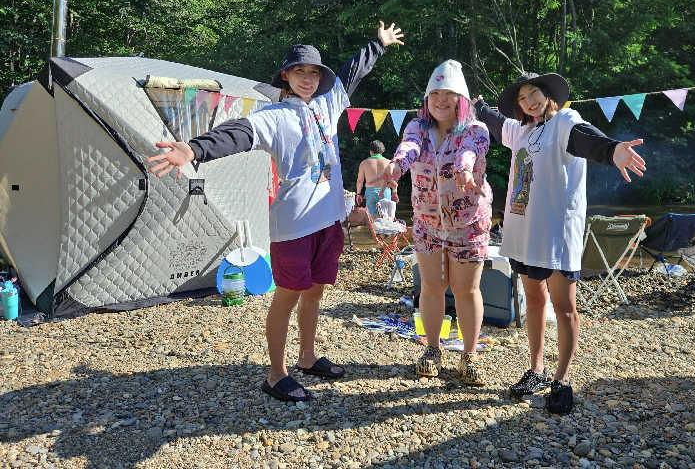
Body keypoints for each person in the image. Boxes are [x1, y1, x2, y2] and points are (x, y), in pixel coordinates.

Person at [146, 21, 404, 402]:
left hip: (329, 219)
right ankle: (275, 373)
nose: (307, 78)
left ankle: (307, 356)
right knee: (287, 297)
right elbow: (237, 133)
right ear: (286, 75)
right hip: (294, 226)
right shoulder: (274, 116)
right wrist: (194, 150)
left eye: (314, 72)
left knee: (316, 293)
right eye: (300, 71)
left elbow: (351, 72)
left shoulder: (328, 105)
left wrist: (377, 45)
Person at [474, 73, 646, 413]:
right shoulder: (521, 130)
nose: (529, 101)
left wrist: (614, 151)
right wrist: (477, 106)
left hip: (555, 233)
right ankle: (537, 370)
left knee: (564, 307)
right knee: (533, 300)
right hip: (525, 232)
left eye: (533, 93)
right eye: (522, 98)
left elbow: (589, 140)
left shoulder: (565, 122)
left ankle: (562, 379)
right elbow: (496, 122)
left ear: (548, 93)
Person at [384, 60, 493, 385]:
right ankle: (432, 348)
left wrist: (463, 170)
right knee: (430, 288)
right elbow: (409, 148)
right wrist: (396, 166)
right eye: (435, 94)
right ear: (427, 99)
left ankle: (469, 354)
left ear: (462, 99)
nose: (441, 100)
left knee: (466, 289)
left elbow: (470, 153)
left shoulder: (476, 130)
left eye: (449, 94)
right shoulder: (418, 127)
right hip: (427, 223)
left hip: (468, 224)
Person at [356, 140, 393, 216]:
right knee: (386, 218)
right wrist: (395, 192)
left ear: (370, 151)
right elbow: (393, 181)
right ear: (382, 151)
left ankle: (373, 227)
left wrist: (358, 194)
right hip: (385, 191)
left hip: (370, 192)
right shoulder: (389, 162)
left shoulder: (364, 163)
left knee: (371, 218)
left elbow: (360, 181)